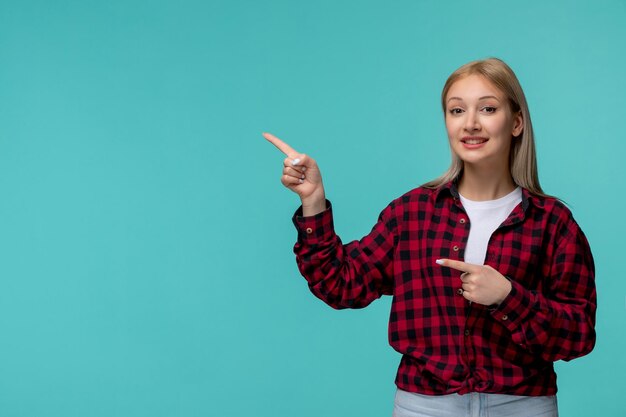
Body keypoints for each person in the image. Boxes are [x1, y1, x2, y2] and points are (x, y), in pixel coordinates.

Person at [263, 58, 596, 417]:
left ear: (515, 122)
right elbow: (339, 283)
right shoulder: (412, 212)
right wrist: (313, 200)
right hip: (424, 407)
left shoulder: (552, 223)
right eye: (456, 110)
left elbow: (578, 334)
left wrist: (508, 297)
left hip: (522, 406)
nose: (470, 123)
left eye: (487, 108)